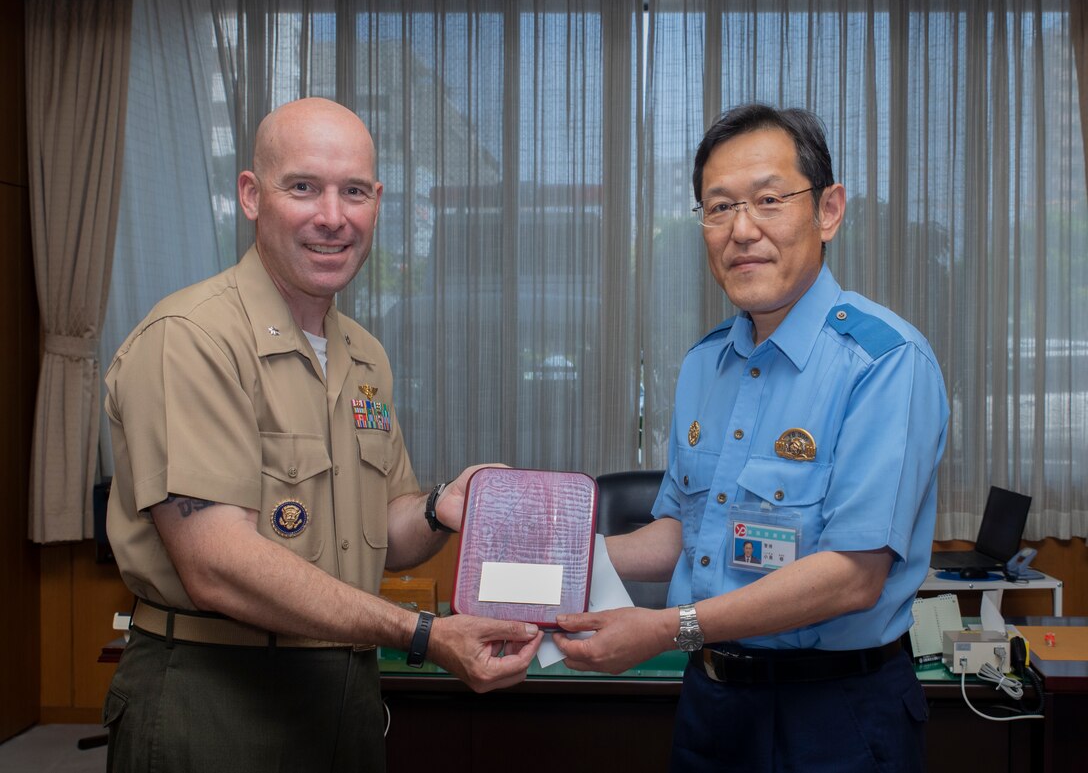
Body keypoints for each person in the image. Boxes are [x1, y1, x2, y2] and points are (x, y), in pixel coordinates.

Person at [102, 97, 542, 772]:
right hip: (214, 692)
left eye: (354, 192)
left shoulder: (363, 353)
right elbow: (216, 563)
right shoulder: (191, 338)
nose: (333, 217)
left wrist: (440, 504)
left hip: (344, 693)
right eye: (303, 187)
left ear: (378, 202)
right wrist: (422, 633)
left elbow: (387, 534)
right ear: (252, 195)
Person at [554, 103, 948, 772]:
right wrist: (567, 563)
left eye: (768, 200)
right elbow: (684, 528)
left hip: (837, 713)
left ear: (828, 209)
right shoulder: (705, 365)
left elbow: (854, 575)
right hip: (713, 706)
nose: (742, 230)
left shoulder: (885, 362)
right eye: (719, 207)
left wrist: (664, 628)